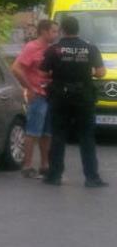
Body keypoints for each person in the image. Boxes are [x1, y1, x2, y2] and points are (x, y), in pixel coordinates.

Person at [40, 16, 108, 188]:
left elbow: (43, 73)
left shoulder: (54, 49)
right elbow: (101, 73)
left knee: (58, 136)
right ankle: (92, 178)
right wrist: (86, 72)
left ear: (63, 30)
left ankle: (54, 176)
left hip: (60, 97)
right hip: (84, 97)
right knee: (86, 137)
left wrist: (58, 74)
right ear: (78, 30)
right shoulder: (90, 48)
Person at [10, 19, 59, 178]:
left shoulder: (52, 49)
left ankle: (45, 165)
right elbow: (16, 68)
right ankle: (28, 165)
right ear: (44, 32)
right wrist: (29, 88)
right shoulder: (32, 47)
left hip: (49, 95)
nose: (56, 34)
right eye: (53, 31)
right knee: (33, 131)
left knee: (47, 132)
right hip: (37, 94)